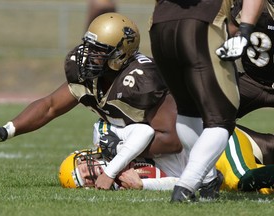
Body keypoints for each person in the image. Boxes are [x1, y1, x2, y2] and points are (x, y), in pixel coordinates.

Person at [0, 13, 183, 190]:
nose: (89, 55)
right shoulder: (93, 75)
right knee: (78, 172)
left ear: (120, 54)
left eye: (98, 51)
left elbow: (173, 141)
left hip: (177, 158)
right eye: (88, 47)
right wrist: (8, 130)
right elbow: (50, 106)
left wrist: (116, 148)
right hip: (139, 150)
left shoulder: (142, 80)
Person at [149, 0, 266, 202]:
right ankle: (186, 185)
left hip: (160, 25)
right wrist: (245, 31)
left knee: (188, 110)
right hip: (201, 23)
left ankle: (208, 180)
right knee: (221, 119)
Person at [59, 122, 274, 194]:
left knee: (240, 179)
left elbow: (144, 132)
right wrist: (143, 185)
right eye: (85, 181)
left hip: (211, 140)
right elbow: (181, 182)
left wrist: (111, 170)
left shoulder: (104, 135)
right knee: (260, 189)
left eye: (84, 170)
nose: (91, 176)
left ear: (84, 155)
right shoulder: (126, 183)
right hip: (208, 168)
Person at [228, 0, 274, 118]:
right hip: (251, 81)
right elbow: (226, 34)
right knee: (210, 116)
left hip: (252, 80)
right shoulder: (250, 5)